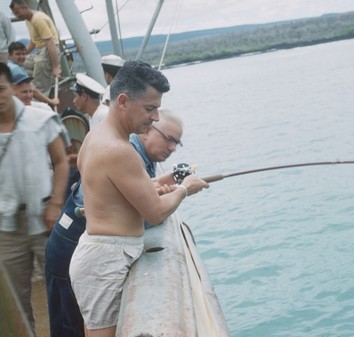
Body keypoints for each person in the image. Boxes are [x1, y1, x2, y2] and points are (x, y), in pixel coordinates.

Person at [69, 60, 208, 337]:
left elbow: (114, 194)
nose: (155, 117)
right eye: (149, 108)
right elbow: (155, 213)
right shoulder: (120, 150)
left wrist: (157, 183)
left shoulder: (95, 137)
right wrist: (184, 189)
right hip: (105, 262)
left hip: (97, 255)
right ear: (122, 101)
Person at [46, 109, 184, 337]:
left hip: (80, 244)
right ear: (147, 130)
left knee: (83, 324)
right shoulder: (125, 154)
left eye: (177, 143)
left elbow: (121, 198)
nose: (172, 148)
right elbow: (145, 214)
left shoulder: (119, 148)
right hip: (70, 245)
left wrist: (155, 185)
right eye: (168, 139)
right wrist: (182, 191)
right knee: (68, 325)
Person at [0, 62, 69, 335]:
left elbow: (61, 162)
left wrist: (55, 203)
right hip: (6, 226)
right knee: (14, 300)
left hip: (44, 217)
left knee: (61, 287)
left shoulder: (40, 119)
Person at [10, 0, 61, 96]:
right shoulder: (28, 20)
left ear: (25, 7)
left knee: (39, 87)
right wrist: (22, 54)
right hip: (39, 51)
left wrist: (55, 67)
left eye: (17, 12)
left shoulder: (38, 19)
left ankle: (39, 98)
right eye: (14, 13)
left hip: (48, 51)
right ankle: (33, 82)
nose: (17, 16)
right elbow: (33, 41)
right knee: (19, 63)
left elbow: (50, 43)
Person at [8, 41, 60, 107]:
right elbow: (33, 91)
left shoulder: (9, 66)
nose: (21, 57)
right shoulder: (15, 69)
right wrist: (51, 101)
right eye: (18, 54)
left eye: (23, 54)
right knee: (45, 107)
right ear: (10, 56)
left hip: (13, 103)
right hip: (15, 105)